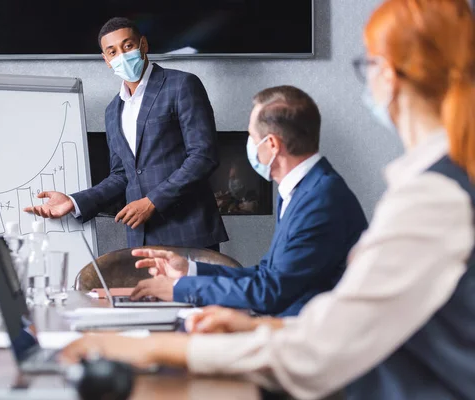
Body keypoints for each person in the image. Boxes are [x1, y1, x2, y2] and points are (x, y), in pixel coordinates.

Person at [59, 1, 475, 399]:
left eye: (366, 62)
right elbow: (334, 321)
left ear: (389, 74)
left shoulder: (431, 198)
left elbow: (317, 346)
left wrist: (149, 349)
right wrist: (254, 326)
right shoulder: (430, 185)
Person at [126, 85, 368, 316]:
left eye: (252, 136)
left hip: (308, 338)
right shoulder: (302, 189)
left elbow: (271, 292)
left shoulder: (320, 200)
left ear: (271, 144)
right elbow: (267, 274)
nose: (249, 145)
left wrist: (179, 290)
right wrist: (189, 271)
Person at [24, 17, 228, 250]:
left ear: (143, 45)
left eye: (127, 46)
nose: (121, 55)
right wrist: (73, 202)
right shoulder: (113, 111)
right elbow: (122, 175)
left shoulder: (182, 85)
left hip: (190, 234)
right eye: (112, 52)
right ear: (107, 60)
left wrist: (152, 202)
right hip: (142, 237)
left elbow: (204, 156)